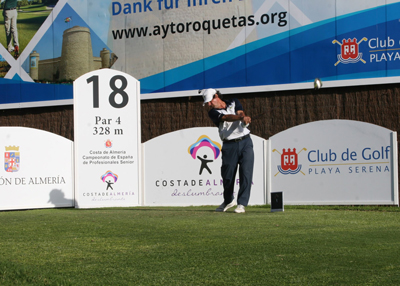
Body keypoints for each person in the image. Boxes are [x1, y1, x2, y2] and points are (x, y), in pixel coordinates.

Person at [201, 88, 254, 213]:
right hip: (229, 145)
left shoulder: (234, 102)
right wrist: (239, 118)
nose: (208, 104)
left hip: (246, 142)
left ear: (216, 96)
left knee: (246, 174)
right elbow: (226, 117)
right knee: (228, 176)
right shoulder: (212, 113)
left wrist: (243, 118)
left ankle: (242, 204)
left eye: (209, 101)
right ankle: (229, 200)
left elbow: (240, 112)